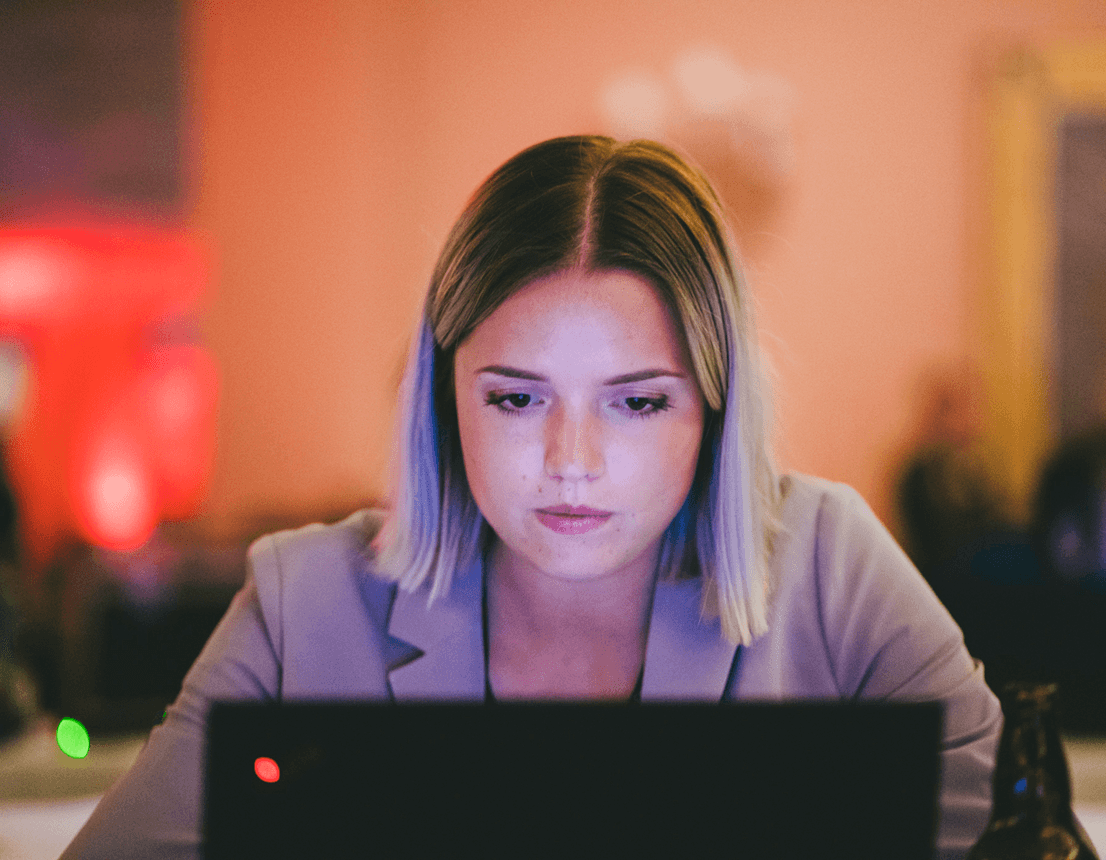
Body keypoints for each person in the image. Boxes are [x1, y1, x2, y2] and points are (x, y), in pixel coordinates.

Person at [63, 136, 1000, 858]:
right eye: (516, 397)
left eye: (637, 402)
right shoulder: (301, 605)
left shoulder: (831, 566)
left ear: (716, 407)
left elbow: (1019, 837)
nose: (572, 461)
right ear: (444, 397)